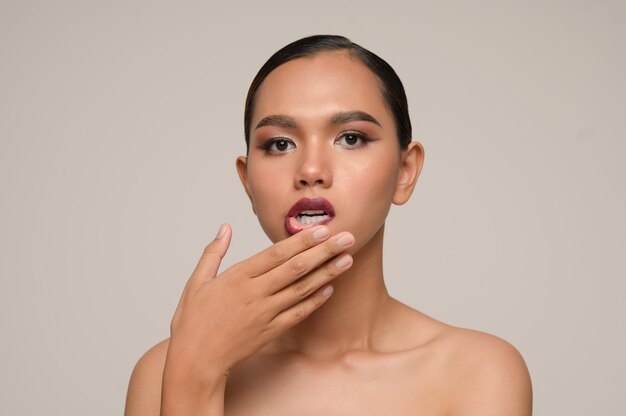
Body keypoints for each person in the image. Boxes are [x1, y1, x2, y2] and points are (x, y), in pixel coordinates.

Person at [124, 35, 532, 415]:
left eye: (351, 138)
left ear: (405, 171)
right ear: (247, 181)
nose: (311, 170)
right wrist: (195, 372)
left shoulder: (477, 372)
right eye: (280, 144)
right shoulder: (164, 369)